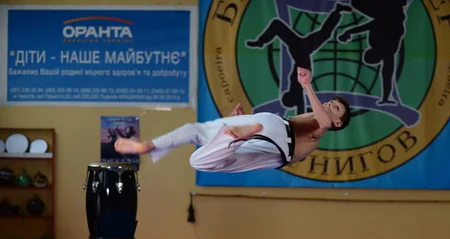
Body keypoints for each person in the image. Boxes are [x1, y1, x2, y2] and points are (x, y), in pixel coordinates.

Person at [113, 67, 351, 172]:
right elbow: (279, 126)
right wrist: (241, 121)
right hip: (271, 130)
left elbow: (325, 122)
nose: (330, 105)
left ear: (339, 123)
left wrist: (307, 86)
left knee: (201, 154)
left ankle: (232, 137)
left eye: (336, 108)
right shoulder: (310, 115)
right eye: (332, 102)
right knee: (194, 133)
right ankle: (149, 145)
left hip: (277, 142)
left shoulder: (321, 127)